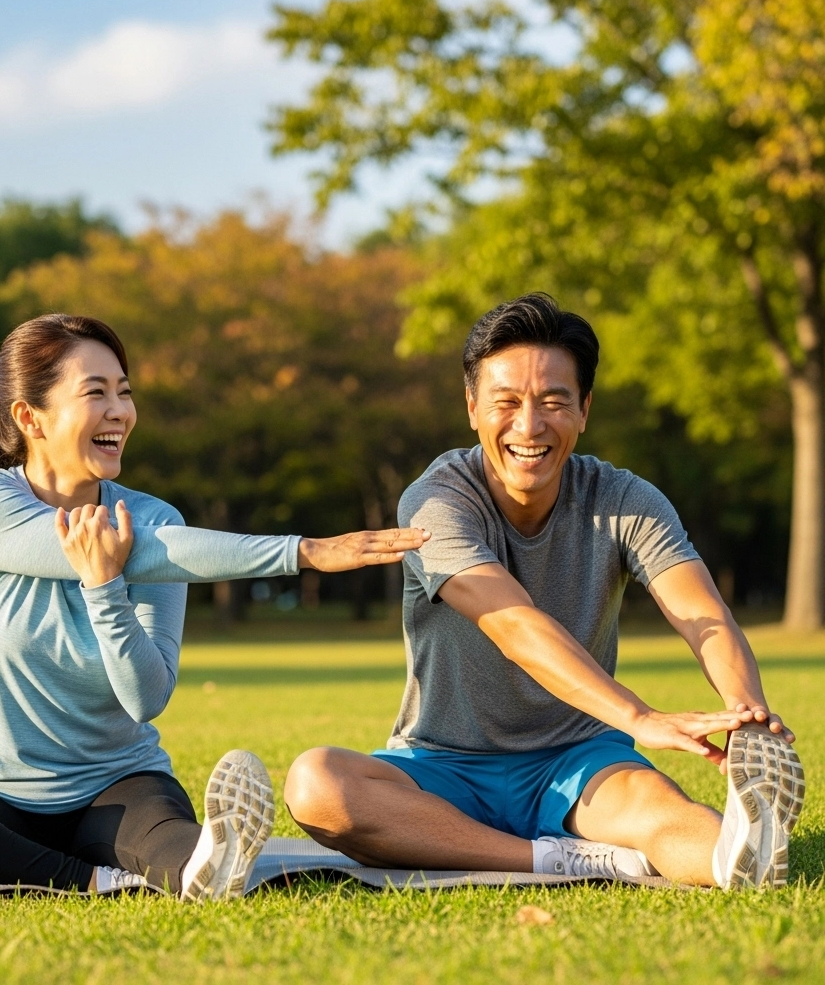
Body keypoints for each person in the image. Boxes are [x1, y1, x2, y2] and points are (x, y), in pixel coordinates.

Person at [0, 313, 428, 901]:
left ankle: (202, 861)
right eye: (95, 393)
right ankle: (89, 880)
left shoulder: (155, 518)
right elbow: (143, 552)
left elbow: (145, 698)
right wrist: (303, 551)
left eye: (124, 392)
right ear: (30, 417)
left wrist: (104, 591)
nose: (119, 411)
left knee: (175, 852)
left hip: (118, 790)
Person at [285, 293, 804, 889]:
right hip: (440, 766)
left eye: (554, 402)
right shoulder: (435, 502)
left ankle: (741, 850)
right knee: (317, 783)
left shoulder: (626, 500)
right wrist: (638, 716)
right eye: (506, 402)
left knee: (664, 815)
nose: (529, 426)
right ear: (472, 407)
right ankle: (555, 859)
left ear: (584, 410)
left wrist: (747, 716)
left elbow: (700, 612)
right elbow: (512, 624)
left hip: (581, 761)